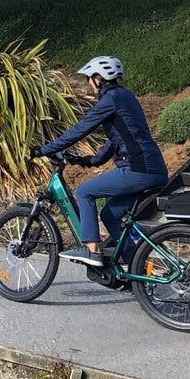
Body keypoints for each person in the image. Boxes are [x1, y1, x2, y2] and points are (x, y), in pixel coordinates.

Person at [31, 56, 168, 268]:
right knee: (110, 215)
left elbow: (81, 129)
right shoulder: (125, 96)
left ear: (98, 78)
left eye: (89, 78)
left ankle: (92, 251)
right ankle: (138, 268)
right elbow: (119, 138)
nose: (88, 83)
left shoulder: (110, 99)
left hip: (138, 168)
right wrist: (90, 161)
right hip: (151, 168)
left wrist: (44, 149)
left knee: (85, 191)